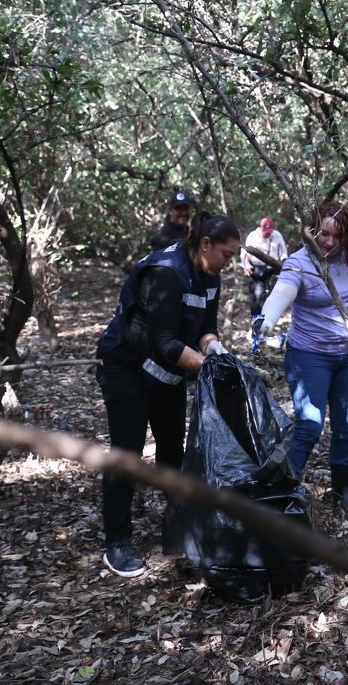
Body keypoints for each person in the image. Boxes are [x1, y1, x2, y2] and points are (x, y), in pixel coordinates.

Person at [95, 212, 240, 578]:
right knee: (126, 453)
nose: (229, 262)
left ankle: (180, 526)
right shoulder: (166, 273)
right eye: (226, 253)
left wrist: (217, 352)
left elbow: (205, 329)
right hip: (126, 367)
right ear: (205, 245)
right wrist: (207, 368)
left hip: (167, 373)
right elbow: (164, 343)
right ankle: (117, 543)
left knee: (173, 450)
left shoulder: (211, 275)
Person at [258, 202, 348, 513]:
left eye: (336, 235)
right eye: (322, 233)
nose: (328, 242)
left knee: (347, 426)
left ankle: (341, 491)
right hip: (308, 355)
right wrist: (265, 322)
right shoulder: (299, 262)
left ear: (346, 236)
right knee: (310, 424)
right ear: (312, 231)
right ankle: (283, 491)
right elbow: (282, 293)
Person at [241, 217, 288, 329]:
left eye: (269, 232)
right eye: (265, 232)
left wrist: (284, 261)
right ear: (260, 228)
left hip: (273, 268)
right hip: (257, 269)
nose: (267, 234)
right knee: (256, 298)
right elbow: (244, 253)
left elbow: (284, 252)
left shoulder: (277, 235)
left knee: (273, 297)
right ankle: (256, 323)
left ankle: (268, 323)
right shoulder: (252, 236)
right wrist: (246, 265)